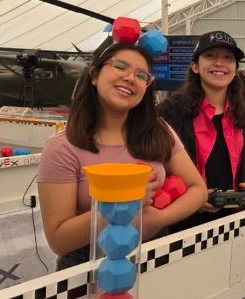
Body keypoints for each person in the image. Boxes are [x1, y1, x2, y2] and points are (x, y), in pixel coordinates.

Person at [37, 43, 207, 270]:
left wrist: (159, 219)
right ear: (94, 75)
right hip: (91, 266)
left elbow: (198, 189)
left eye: (141, 75)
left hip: (156, 255)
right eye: (120, 66)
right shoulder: (62, 148)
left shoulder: (157, 130)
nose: (130, 78)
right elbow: (59, 240)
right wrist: (122, 205)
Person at [156, 31, 245, 232]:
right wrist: (191, 196)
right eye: (210, 56)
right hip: (184, 227)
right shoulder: (169, 114)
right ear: (195, 66)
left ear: (235, 68)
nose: (219, 63)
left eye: (228, 58)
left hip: (236, 225)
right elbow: (155, 169)